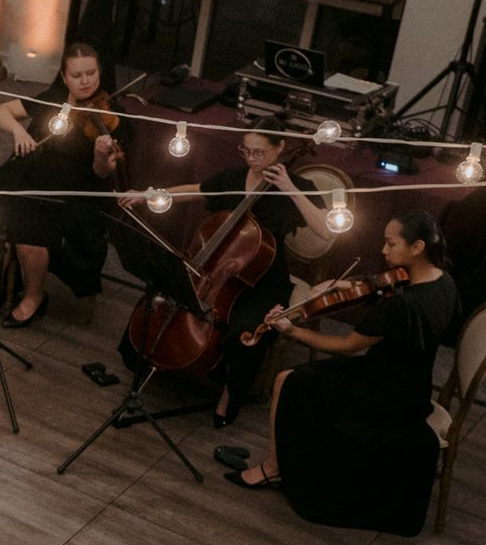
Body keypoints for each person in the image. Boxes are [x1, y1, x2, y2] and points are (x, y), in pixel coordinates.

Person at [217, 210, 461, 536]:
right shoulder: (443, 281)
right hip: (412, 384)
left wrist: (292, 331)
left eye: (391, 244)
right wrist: (349, 285)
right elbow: (387, 295)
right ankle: (283, 462)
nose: (384, 252)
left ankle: (273, 469)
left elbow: (345, 345)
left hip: (384, 392)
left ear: (417, 247)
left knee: (287, 380)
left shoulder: (403, 307)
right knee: (299, 380)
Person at [120, 117, 332, 426]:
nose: (251, 159)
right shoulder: (233, 178)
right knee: (164, 295)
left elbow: (325, 230)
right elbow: (194, 190)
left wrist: (289, 188)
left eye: (259, 152)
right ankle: (158, 362)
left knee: (246, 335)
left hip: (263, 281)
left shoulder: (299, 187)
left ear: (280, 147)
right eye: (245, 150)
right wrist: (148, 194)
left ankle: (229, 396)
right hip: (218, 272)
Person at [0, 43, 128, 327]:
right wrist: (19, 130)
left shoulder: (114, 114)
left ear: (100, 72)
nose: (85, 81)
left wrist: (100, 153)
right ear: (63, 77)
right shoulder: (54, 98)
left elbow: (102, 173)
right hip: (30, 176)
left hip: (73, 194)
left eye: (91, 73)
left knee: (29, 231)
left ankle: (34, 296)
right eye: (76, 75)